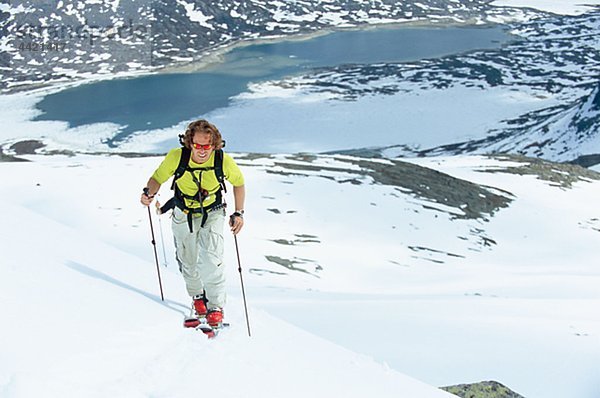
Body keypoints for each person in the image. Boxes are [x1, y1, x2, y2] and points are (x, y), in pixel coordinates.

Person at [140, 119, 245, 328]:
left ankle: (215, 306)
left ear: (214, 145)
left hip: (213, 211)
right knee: (187, 258)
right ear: (190, 143)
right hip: (183, 211)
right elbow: (157, 178)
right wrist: (148, 193)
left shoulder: (222, 160)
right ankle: (198, 296)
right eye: (197, 146)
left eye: (207, 146)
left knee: (211, 257)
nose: (202, 151)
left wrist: (239, 212)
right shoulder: (177, 157)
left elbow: (238, 183)